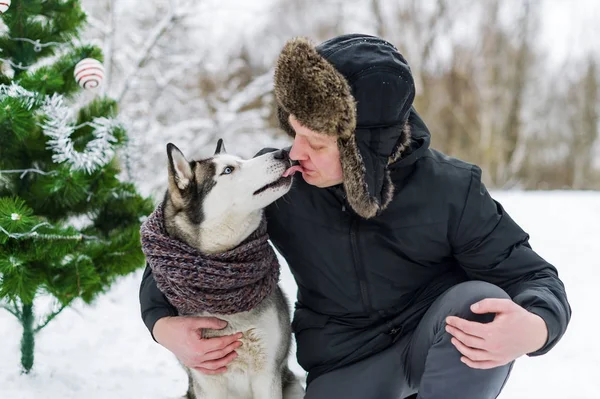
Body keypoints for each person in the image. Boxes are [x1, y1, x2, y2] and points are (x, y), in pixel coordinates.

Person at [139, 34, 571, 399]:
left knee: (476, 303)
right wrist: (163, 325)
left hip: (433, 345)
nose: (296, 152)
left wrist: (535, 327)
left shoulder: (451, 190)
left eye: (318, 142)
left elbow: (534, 278)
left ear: (363, 151)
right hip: (345, 364)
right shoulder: (282, 183)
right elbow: (180, 244)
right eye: (295, 132)